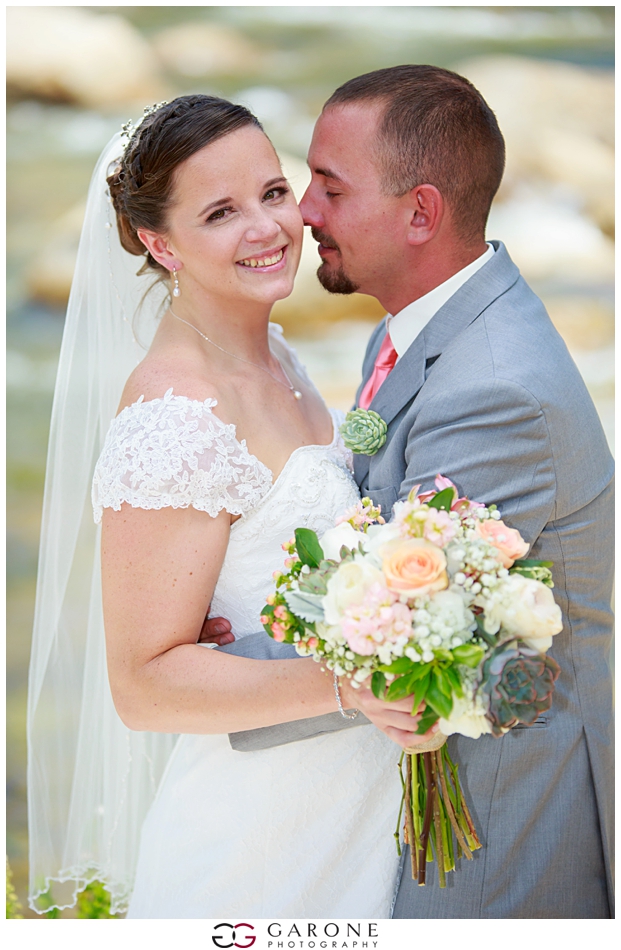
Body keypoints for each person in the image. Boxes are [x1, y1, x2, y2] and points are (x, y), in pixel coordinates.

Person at [27, 94, 436, 919]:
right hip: (260, 849)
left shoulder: (277, 353)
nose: (267, 227)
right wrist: (353, 687)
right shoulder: (175, 417)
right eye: (220, 212)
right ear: (157, 242)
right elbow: (143, 686)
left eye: (273, 192)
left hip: (356, 810)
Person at [293, 65, 614, 919]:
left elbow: (400, 629)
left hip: (496, 815)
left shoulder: (493, 389)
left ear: (420, 213)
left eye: (328, 187)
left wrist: (203, 667)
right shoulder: (416, 329)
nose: (302, 212)